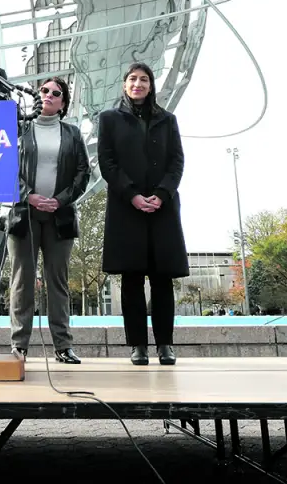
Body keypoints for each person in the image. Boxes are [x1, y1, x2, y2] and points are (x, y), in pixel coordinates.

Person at [98, 62, 188, 366]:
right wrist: (133, 195)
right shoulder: (109, 119)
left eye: (144, 79)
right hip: (127, 208)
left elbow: (177, 161)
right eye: (133, 79)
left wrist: (162, 194)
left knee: (162, 279)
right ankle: (137, 345)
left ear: (151, 85)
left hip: (161, 208)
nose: (138, 84)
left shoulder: (168, 120)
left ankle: (165, 344)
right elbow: (107, 163)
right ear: (124, 85)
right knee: (132, 279)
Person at [6, 76, 89, 363]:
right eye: (44, 90)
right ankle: (19, 346)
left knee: (58, 282)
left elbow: (83, 173)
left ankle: (63, 346)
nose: (49, 95)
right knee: (22, 281)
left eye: (56, 93)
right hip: (23, 216)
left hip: (60, 217)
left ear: (64, 102)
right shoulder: (19, 130)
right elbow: (4, 167)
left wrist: (60, 199)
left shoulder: (73, 134)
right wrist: (27, 195)